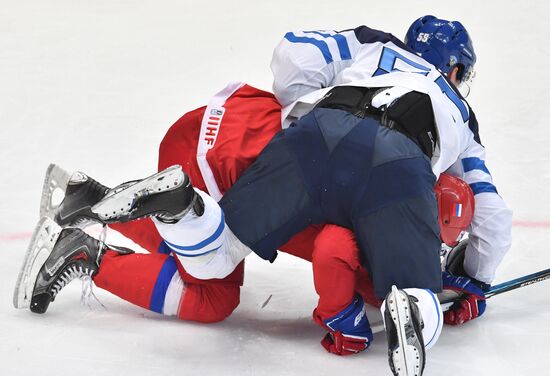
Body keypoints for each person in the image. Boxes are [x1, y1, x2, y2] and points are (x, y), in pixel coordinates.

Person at [14, 16, 512, 376]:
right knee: (212, 297)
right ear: (454, 72)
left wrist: (307, 106)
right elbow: (489, 218)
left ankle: (145, 202)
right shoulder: (456, 119)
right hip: (384, 160)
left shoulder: (375, 50)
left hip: (298, 131)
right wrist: (470, 283)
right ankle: (411, 305)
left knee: (218, 250)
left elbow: (293, 54)